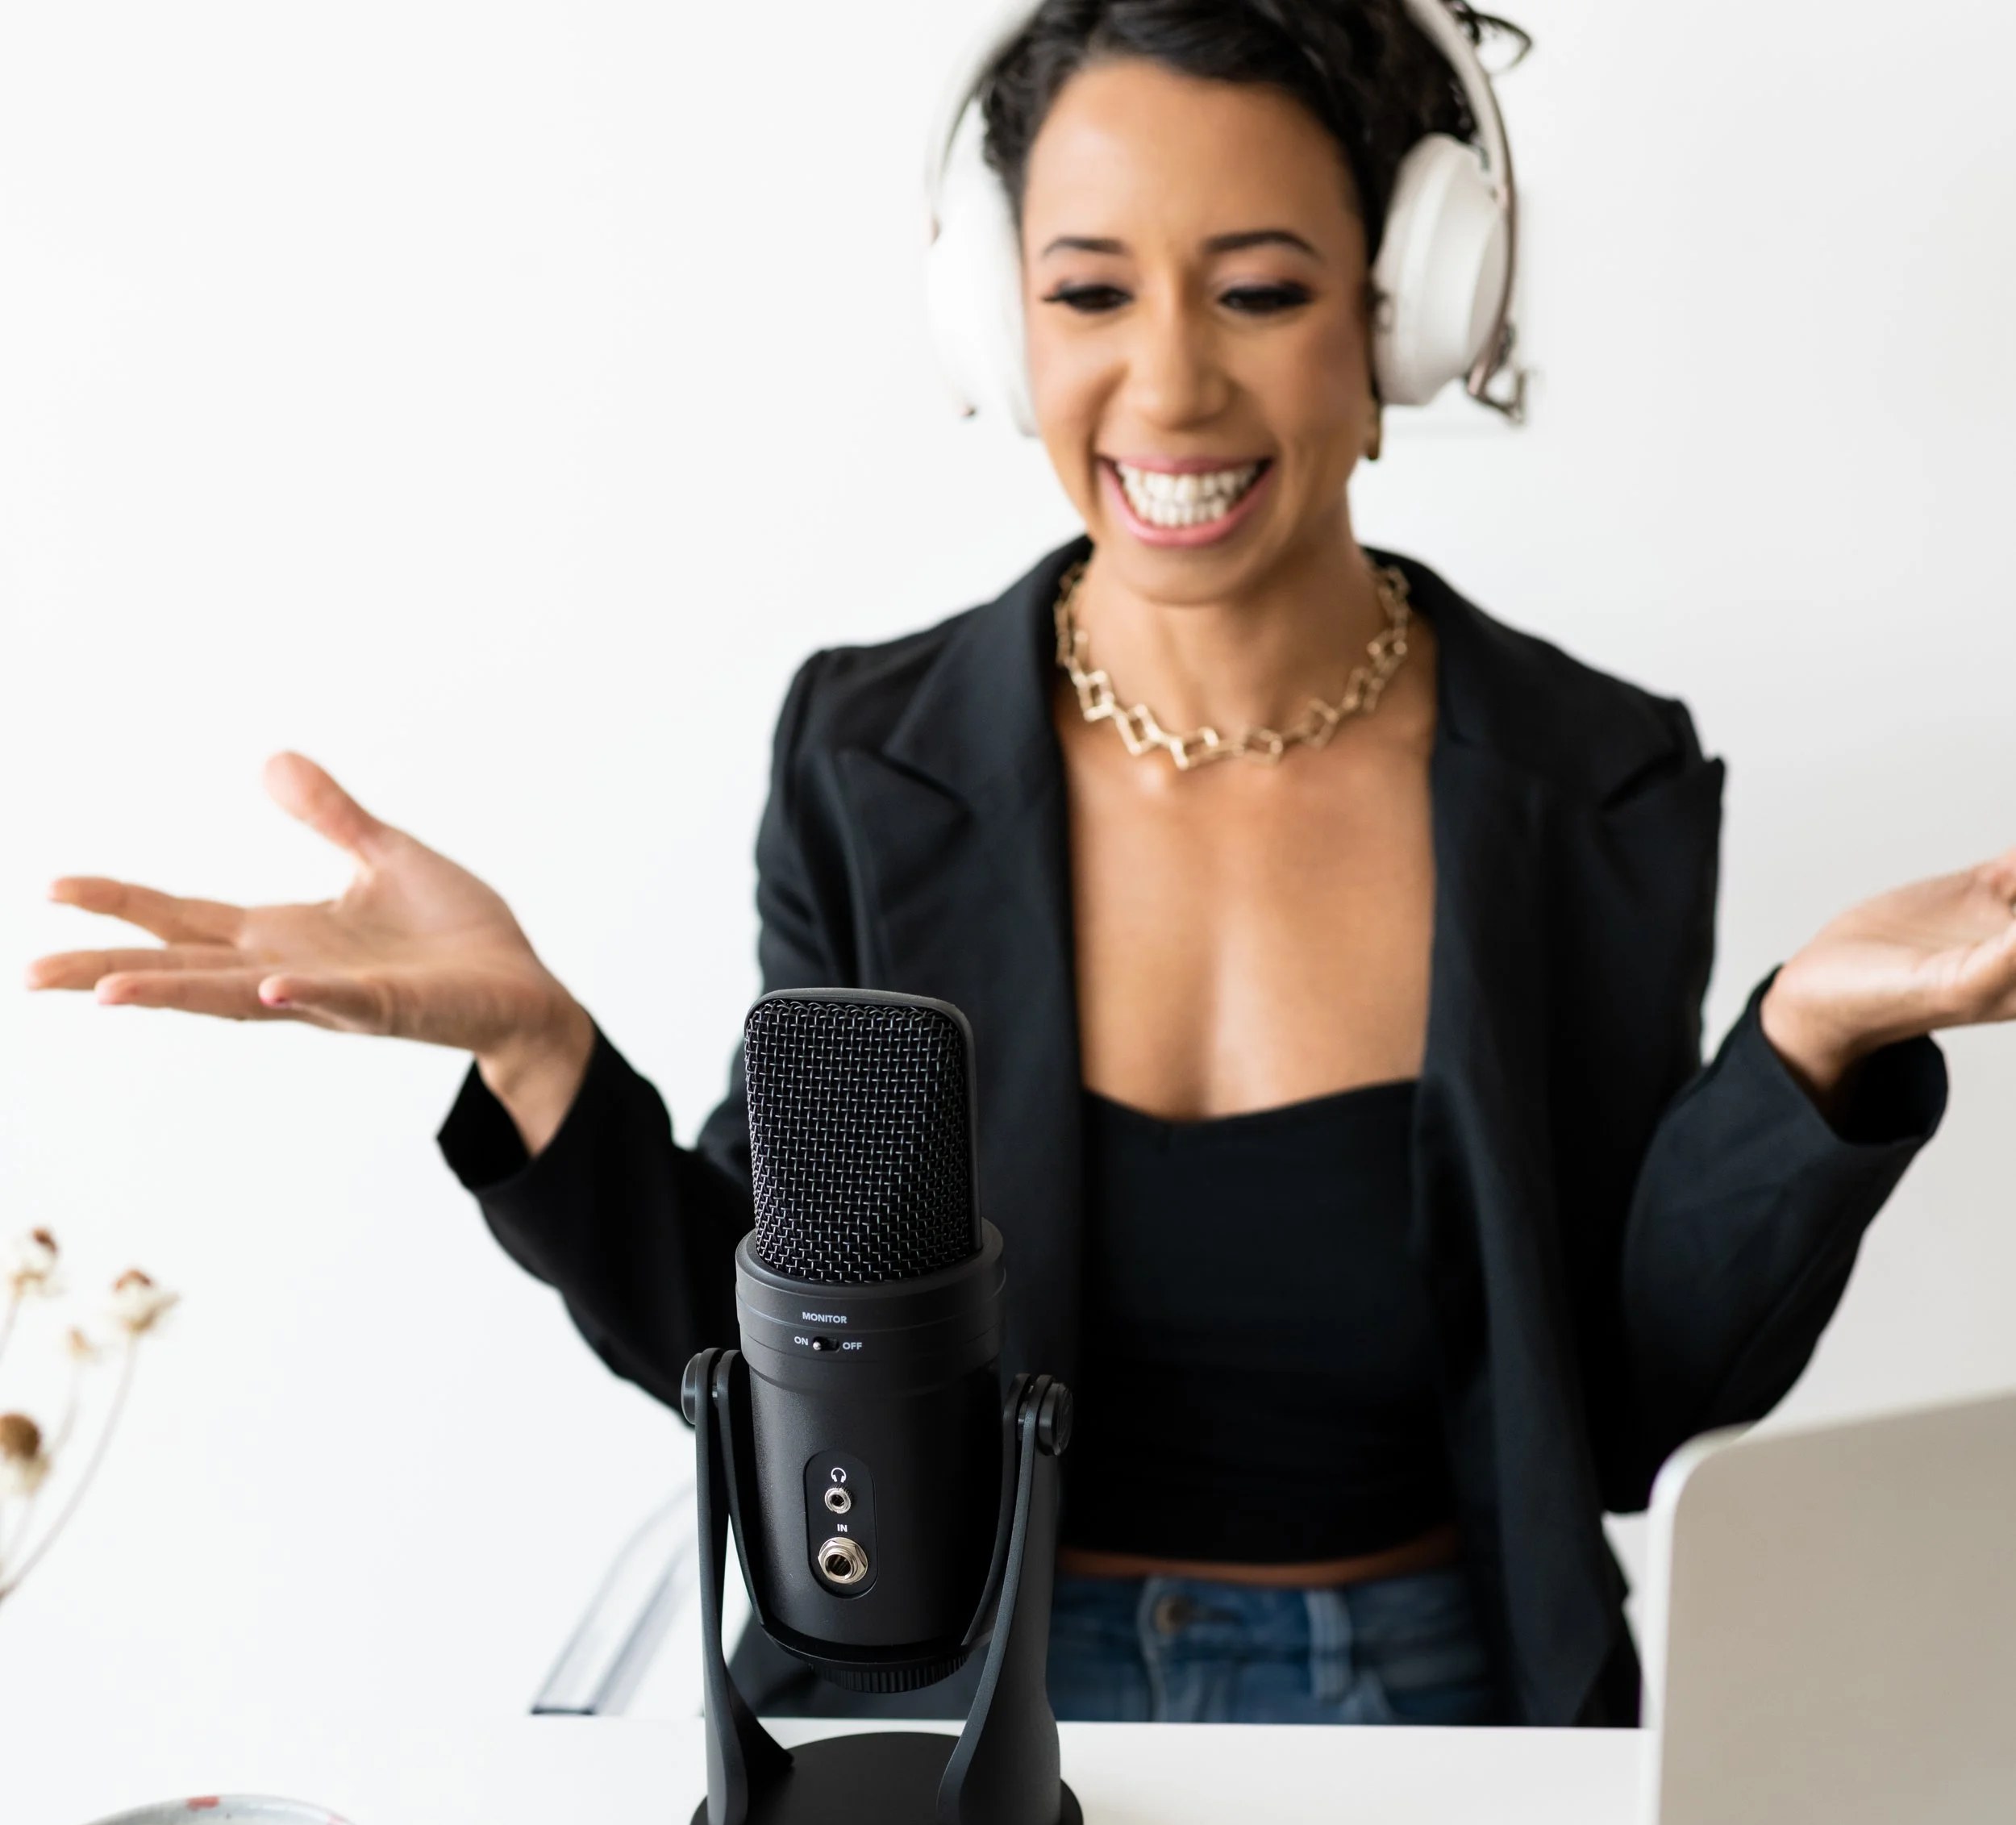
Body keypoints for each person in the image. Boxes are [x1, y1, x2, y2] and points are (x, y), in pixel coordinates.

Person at [29, 1, 2015, 1728]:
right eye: (1086, 293)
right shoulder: (869, 759)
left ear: (1407, 314)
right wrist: (543, 1057)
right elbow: (777, 1360)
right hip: (956, 1678)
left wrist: (1804, 1054)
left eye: (1258, 289)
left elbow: (1627, 1392)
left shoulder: (1591, 779)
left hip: (1441, 1682)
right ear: (995, 319)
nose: (1166, 386)